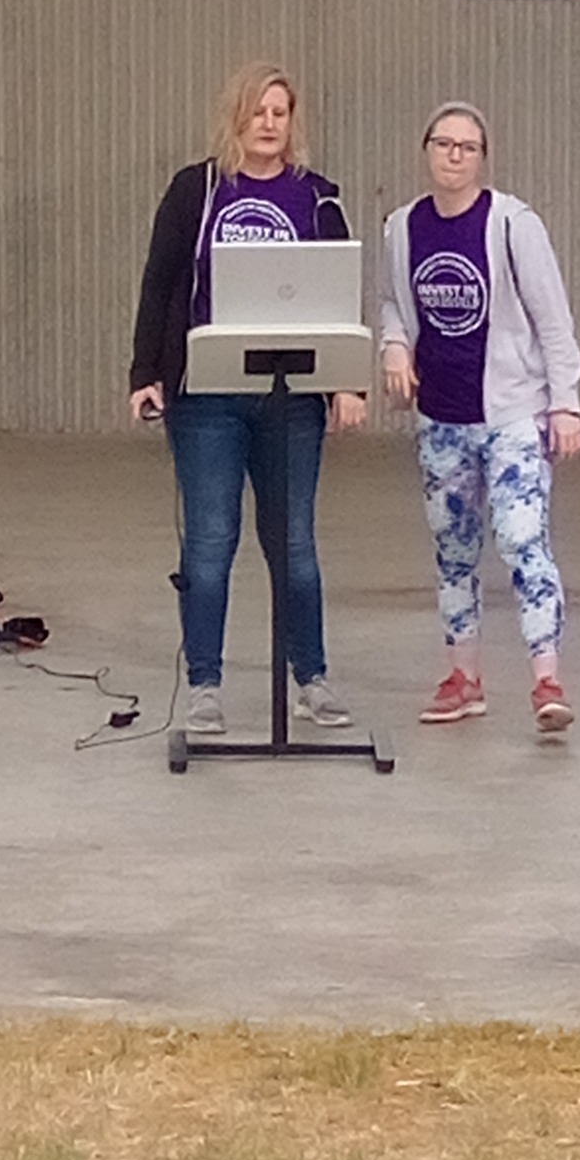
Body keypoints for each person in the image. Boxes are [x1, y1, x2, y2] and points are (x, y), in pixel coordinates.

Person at [129, 62, 365, 735]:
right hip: (207, 397)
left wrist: (346, 383)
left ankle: (311, 679)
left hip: (291, 398)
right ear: (235, 116)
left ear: (293, 122)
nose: (268, 124)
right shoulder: (195, 190)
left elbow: (338, 294)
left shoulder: (317, 199)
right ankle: (204, 687)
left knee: (294, 544)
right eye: (257, 111)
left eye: (279, 113)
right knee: (210, 542)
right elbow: (159, 282)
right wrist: (144, 373)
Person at [381, 102, 580, 735]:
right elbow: (393, 302)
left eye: (467, 147)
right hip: (442, 419)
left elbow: (552, 318)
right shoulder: (402, 228)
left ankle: (546, 679)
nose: (454, 156)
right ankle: (463, 677)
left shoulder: (512, 225)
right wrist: (393, 346)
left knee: (523, 541)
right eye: (443, 144)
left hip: (512, 415)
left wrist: (564, 402)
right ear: (426, 150)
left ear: (482, 158)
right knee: (453, 551)